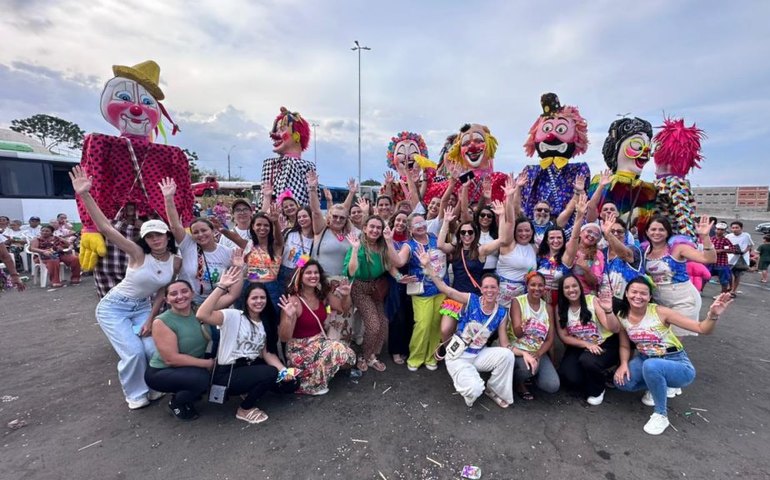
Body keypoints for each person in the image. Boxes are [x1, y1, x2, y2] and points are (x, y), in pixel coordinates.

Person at [70, 165, 181, 409]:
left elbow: (162, 292)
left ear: (166, 236)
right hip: (114, 308)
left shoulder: (175, 261)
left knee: (154, 350)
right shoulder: (138, 253)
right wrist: (85, 194)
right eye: (150, 236)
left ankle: (153, 387)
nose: (156, 239)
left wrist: (151, 320)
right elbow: (107, 229)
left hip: (142, 308)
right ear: (145, 239)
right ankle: (135, 394)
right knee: (133, 353)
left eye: (159, 235)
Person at [614, 278, 733, 435]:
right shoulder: (622, 315)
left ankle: (661, 414)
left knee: (651, 366)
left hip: (675, 360)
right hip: (645, 358)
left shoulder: (660, 312)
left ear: (649, 297)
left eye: (643, 293)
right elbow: (624, 345)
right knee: (622, 383)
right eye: (634, 292)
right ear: (627, 294)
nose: (638, 296)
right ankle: (659, 383)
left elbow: (701, 328)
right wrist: (623, 364)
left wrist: (712, 315)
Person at [197, 267, 300, 424]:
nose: (259, 301)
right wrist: (221, 287)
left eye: (262, 298)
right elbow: (202, 314)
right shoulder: (233, 316)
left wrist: (284, 372)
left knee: (291, 384)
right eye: (254, 298)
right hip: (228, 372)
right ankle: (245, 409)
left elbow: (267, 353)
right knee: (270, 373)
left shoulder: (265, 323)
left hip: (248, 367)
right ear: (246, 300)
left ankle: (249, 387)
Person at [419, 247, 515, 408]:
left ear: (499, 289)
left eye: (493, 287)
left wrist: (526, 355)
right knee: (474, 390)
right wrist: (428, 267)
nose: (489, 290)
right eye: (486, 287)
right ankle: (470, 380)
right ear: (481, 288)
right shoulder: (471, 300)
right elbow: (445, 289)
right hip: (458, 355)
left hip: (478, 355)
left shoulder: (502, 312)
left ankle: (494, 389)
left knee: (507, 355)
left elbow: (505, 344)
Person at [278, 259, 356, 395]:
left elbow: (343, 308)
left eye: (316, 272)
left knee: (349, 357)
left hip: (319, 342)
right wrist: (288, 317)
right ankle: (310, 385)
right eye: (308, 273)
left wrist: (346, 295)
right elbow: (284, 338)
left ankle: (315, 372)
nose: (313, 276)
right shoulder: (293, 301)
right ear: (300, 276)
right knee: (337, 349)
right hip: (299, 349)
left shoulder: (322, 294)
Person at [145, 280, 214, 421]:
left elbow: (230, 297)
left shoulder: (199, 311)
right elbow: (171, 359)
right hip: (162, 372)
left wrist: (231, 274)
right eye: (173, 294)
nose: (180, 296)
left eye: (184, 291)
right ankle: (176, 402)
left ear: (192, 293)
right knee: (202, 379)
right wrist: (208, 364)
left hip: (187, 366)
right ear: (166, 299)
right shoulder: (162, 321)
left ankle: (190, 391)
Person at [390, 213, 450, 372]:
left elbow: (446, 248)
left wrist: (447, 221)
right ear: (410, 229)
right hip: (422, 292)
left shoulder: (434, 237)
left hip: (441, 288)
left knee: (436, 324)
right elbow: (398, 261)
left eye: (422, 222)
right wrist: (389, 242)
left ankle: (431, 357)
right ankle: (416, 357)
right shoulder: (408, 245)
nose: (421, 226)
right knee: (423, 324)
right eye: (416, 225)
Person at [161, 178, 234, 305]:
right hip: (187, 302)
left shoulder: (227, 253)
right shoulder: (188, 245)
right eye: (195, 232)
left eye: (204, 230)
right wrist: (168, 198)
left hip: (214, 304)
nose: (200, 235)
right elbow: (174, 225)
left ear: (213, 231)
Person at [643, 215, 716, 335]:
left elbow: (709, 258)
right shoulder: (643, 249)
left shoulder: (678, 248)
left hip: (683, 300)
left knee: (673, 341)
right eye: (653, 229)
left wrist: (705, 236)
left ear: (668, 233)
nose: (657, 233)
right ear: (647, 231)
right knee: (658, 339)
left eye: (661, 230)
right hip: (658, 301)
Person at [555, 275, 619, 405]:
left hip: (604, 343)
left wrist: (608, 311)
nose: (571, 290)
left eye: (574, 286)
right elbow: (564, 336)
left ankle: (598, 389)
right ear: (562, 291)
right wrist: (586, 344)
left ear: (580, 287)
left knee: (588, 360)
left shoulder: (592, 301)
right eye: (566, 287)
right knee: (569, 377)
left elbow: (614, 329)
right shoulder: (559, 308)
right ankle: (596, 374)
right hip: (581, 344)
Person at [344, 216, 394, 372]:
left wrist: (401, 278)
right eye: (372, 226)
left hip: (375, 288)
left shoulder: (382, 247)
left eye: (378, 227)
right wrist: (354, 250)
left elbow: (390, 266)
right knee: (373, 325)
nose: (375, 230)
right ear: (364, 228)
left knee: (383, 323)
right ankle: (363, 356)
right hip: (359, 287)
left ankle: (372, 355)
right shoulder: (357, 246)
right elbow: (351, 271)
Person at [504, 271, 559, 400]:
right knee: (526, 370)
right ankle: (518, 382)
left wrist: (539, 353)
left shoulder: (548, 308)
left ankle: (532, 375)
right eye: (533, 285)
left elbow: (550, 339)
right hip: (519, 349)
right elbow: (517, 334)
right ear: (527, 286)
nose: (537, 288)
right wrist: (523, 327)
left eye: (540, 285)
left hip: (538, 351)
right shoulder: (517, 302)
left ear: (544, 287)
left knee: (552, 385)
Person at [93, 203, 142, 298]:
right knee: (110, 301)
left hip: (135, 266)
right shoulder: (108, 216)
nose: (130, 210)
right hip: (109, 265)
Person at [279, 206, 315, 289]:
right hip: (283, 270)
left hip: (298, 273)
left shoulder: (315, 239)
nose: (301, 219)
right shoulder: (289, 233)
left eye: (305, 216)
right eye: (299, 217)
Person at [572, 222, 605, 295]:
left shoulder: (598, 254)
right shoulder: (570, 247)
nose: (592, 235)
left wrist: (585, 268)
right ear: (580, 232)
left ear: (597, 240)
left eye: (596, 235)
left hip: (587, 294)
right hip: (568, 292)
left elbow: (594, 282)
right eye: (589, 231)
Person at [725, 221, 754, 297]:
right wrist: (731, 251)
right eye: (733, 228)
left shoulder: (746, 235)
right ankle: (729, 287)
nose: (735, 229)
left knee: (737, 275)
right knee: (728, 273)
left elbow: (750, 245)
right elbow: (725, 246)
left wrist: (744, 251)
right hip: (730, 258)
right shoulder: (728, 236)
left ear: (741, 228)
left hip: (741, 259)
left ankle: (733, 291)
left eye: (737, 227)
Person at [708, 222, 734, 295]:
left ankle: (722, 294)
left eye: (722, 230)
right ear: (715, 230)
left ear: (724, 231)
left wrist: (721, 250)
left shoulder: (726, 240)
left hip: (721, 262)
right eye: (718, 229)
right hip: (711, 261)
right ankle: (700, 290)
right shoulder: (711, 239)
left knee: (723, 280)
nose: (719, 231)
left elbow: (732, 249)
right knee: (705, 276)